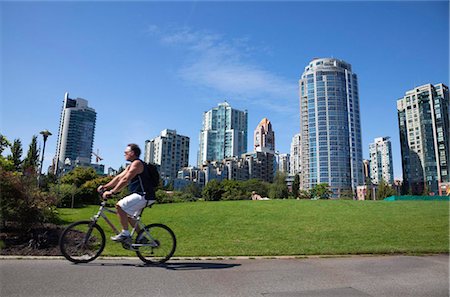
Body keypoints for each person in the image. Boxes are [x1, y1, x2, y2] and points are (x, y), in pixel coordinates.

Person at [97, 143, 155, 242]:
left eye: (126, 152)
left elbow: (125, 180)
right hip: (142, 195)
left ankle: (125, 234)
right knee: (128, 216)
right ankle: (141, 237)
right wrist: (105, 186)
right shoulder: (131, 165)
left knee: (119, 206)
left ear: (132, 153)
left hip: (144, 195)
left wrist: (112, 192)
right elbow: (119, 177)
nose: (124, 154)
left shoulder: (137, 164)